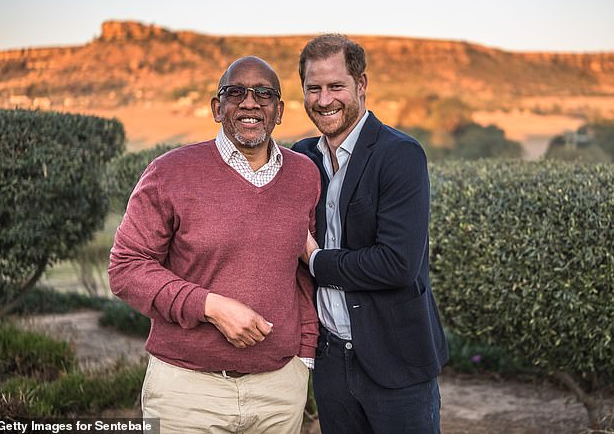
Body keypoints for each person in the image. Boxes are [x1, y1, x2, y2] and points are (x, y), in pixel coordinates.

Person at [109, 56, 320, 433]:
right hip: (187, 391)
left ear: (280, 111)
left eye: (265, 94)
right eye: (235, 92)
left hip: (279, 392)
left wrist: (303, 358)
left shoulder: (304, 176)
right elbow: (126, 268)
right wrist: (210, 306)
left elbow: (302, 272)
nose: (250, 102)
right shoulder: (170, 172)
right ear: (216, 107)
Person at [293, 34, 449, 434]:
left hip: (396, 361)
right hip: (330, 363)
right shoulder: (301, 158)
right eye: (314, 88)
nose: (324, 99)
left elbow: (397, 264)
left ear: (361, 85)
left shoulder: (400, 154)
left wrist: (316, 259)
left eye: (336, 86)